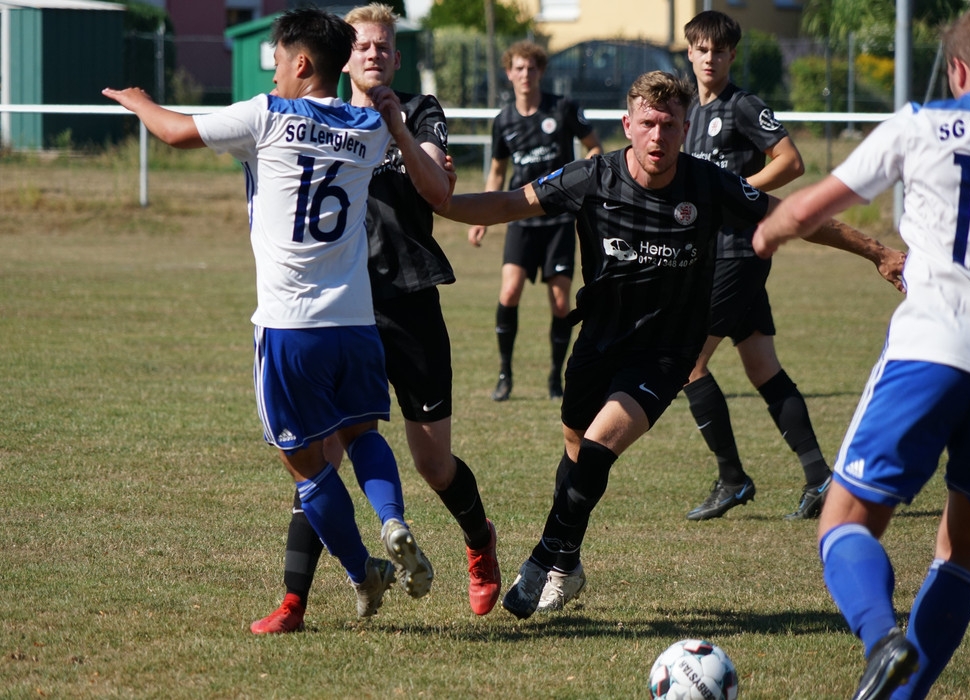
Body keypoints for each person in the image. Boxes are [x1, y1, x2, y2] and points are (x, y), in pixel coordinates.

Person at [436, 70, 905, 619]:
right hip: (599, 339)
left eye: (670, 125)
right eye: (649, 124)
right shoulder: (593, 177)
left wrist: (876, 250)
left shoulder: (707, 184)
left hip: (666, 350)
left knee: (599, 447)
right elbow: (506, 204)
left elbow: (794, 217)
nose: (658, 136)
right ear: (627, 124)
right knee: (576, 451)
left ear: (686, 128)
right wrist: (435, 201)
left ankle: (543, 560)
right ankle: (569, 562)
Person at [102, 6, 440, 623]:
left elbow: (175, 132)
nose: (274, 73)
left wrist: (139, 101)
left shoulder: (267, 115)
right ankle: (392, 520)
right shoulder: (369, 129)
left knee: (305, 466)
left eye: (278, 61)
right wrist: (395, 121)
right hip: (355, 322)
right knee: (363, 434)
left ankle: (362, 569)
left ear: (302, 63)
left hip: (290, 326)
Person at [754, 5, 970, 698]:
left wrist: (767, 233)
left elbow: (809, 207)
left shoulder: (920, 123)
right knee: (962, 550)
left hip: (931, 348)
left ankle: (881, 637)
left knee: (844, 522)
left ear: (957, 70)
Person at [249, 3, 501, 635]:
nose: (373, 55)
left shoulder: (419, 112)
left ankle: (480, 541)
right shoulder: (319, 116)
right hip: (338, 310)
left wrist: (398, 131)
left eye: (384, 46)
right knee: (321, 457)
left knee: (433, 464)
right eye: (362, 46)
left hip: (409, 300)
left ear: (396, 55)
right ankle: (294, 602)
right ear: (344, 56)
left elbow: (438, 190)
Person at [680, 10, 831, 522]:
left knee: (689, 362)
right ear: (690, 53)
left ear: (732, 56)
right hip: (714, 251)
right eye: (702, 50)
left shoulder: (742, 105)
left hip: (739, 251)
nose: (710, 58)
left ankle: (732, 478)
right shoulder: (690, 112)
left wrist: (741, 188)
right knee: (763, 366)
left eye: (719, 51)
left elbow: (791, 161)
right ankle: (820, 477)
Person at [467, 40, 603, 402]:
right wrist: (481, 216)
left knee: (560, 303)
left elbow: (593, 145)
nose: (525, 74)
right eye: (519, 68)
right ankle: (505, 375)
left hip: (558, 221)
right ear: (509, 73)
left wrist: (588, 172)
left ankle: (556, 378)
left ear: (541, 72)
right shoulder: (504, 120)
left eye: (532, 68)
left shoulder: (562, 108)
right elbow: (498, 171)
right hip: (521, 220)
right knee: (509, 292)